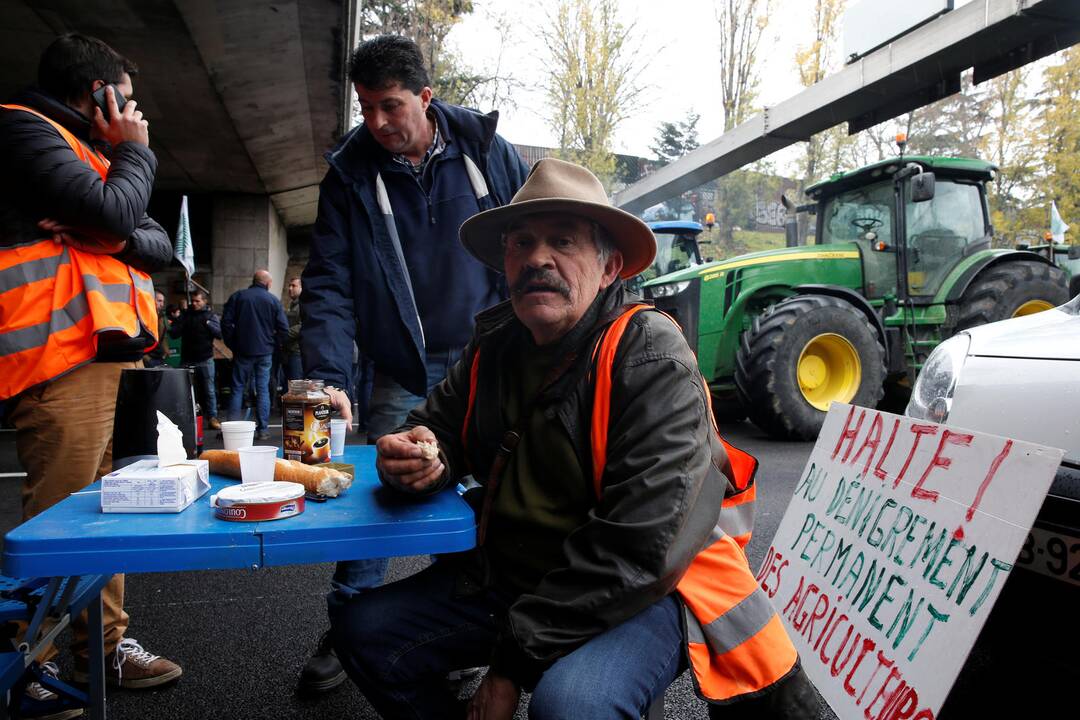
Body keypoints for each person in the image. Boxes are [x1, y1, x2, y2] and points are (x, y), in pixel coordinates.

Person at [327, 159, 817, 719]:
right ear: (506, 262)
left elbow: (641, 549)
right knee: (363, 632)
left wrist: (510, 666)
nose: (538, 258)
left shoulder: (649, 356)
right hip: (514, 579)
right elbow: (437, 426)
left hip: (643, 592)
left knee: (571, 705)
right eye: (522, 244)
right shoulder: (496, 345)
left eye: (562, 241)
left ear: (608, 268)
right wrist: (417, 456)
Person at [298, 34, 528, 691]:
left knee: (482, 504)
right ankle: (346, 632)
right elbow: (329, 283)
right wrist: (327, 377)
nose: (375, 123)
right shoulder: (349, 173)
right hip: (402, 367)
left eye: (390, 106)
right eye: (365, 107)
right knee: (381, 499)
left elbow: (531, 241)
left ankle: (454, 636)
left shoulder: (488, 155)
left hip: (487, 361)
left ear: (426, 98)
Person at [0, 32, 182, 709]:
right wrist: (133, 157)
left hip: (111, 357)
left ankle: (102, 651)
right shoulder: (22, 128)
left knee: (109, 513)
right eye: (126, 101)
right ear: (97, 94)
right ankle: (25, 665)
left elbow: (157, 243)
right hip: (60, 356)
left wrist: (116, 223)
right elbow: (116, 210)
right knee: (59, 520)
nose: (135, 114)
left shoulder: (94, 156)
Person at [221, 269, 288, 441]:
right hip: (265, 351)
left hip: (243, 351)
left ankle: (232, 430)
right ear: (267, 283)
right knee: (263, 389)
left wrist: (233, 344)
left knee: (237, 388)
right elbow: (284, 329)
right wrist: (273, 343)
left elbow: (226, 323)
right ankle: (263, 429)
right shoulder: (273, 300)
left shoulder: (238, 297)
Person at [168, 290, 221, 428]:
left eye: (198, 301)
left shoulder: (210, 316)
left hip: (205, 357)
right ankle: (186, 417)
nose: (195, 303)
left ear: (204, 301)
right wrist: (179, 319)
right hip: (188, 358)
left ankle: (212, 417)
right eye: (193, 301)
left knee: (209, 390)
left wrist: (208, 323)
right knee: (185, 389)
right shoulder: (186, 315)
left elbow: (219, 333)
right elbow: (173, 333)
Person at [283, 276, 304, 382]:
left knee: (296, 386)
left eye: (294, 286)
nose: (290, 288)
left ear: (301, 287)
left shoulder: (303, 305)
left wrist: (283, 334)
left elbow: (303, 325)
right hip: (290, 351)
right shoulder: (293, 305)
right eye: (289, 286)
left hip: (297, 351)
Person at [143, 291, 169, 367]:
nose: (162, 304)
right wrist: (145, 357)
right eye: (159, 301)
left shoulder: (161, 317)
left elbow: (163, 337)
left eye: (163, 301)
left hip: (158, 356)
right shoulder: (144, 316)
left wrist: (165, 350)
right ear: (151, 300)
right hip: (148, 357)